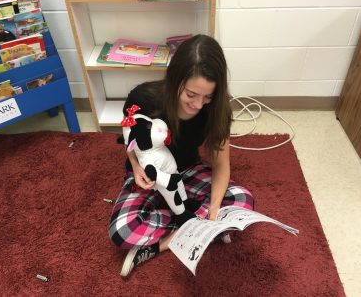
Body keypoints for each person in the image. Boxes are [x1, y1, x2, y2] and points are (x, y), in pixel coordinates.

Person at [109, 34, 254, 277]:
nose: (198, 105)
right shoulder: (143, 99)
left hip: (188, 171)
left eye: (207, 97)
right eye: (191, 95)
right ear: (175, 80)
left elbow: (221, 164)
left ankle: (168, 237)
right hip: (150, 175)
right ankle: (182, 233)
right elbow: (130, 141)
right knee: (122, 231)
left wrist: (215, 209)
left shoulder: (217, 108)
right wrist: (135, 168)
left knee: (243, 201)